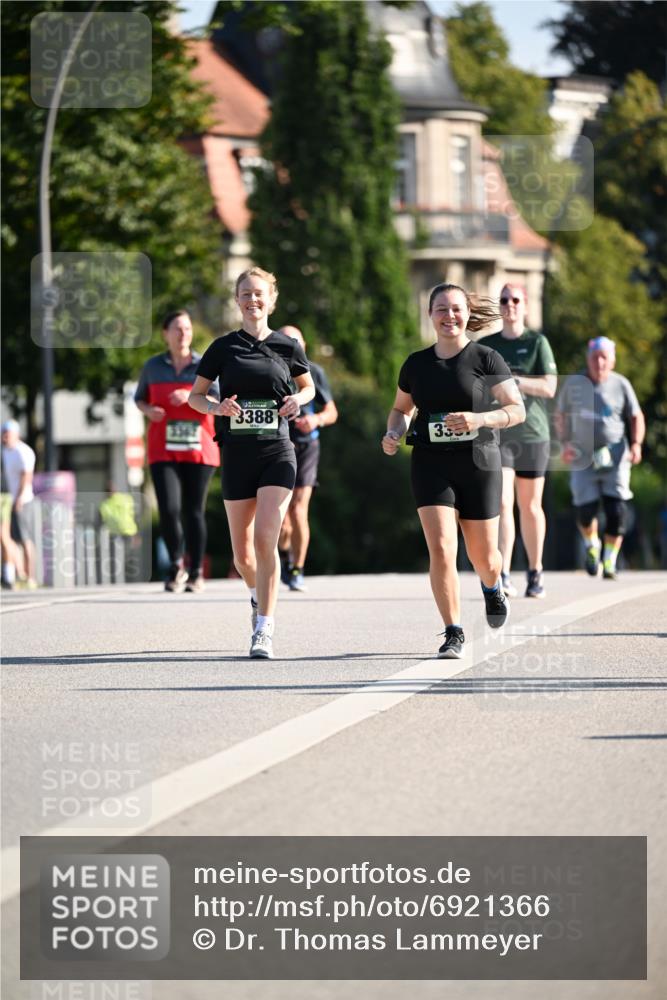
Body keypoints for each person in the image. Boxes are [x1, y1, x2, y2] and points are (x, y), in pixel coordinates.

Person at [382, 283, 525, 659]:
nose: (450, 316)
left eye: (456, 309)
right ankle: (453, 631)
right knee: (443, 549)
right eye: (441, 309)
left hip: (479, 463)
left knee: (485, 557)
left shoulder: (486, 358)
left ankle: (493, 588)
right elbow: (401, 409)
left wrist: (480, 417)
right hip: (430, 463)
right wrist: (393, 431)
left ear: (466, 313)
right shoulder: (416, 364)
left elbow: (516, 409)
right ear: (430, 315)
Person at [188, 267, 315, 659]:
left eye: (259, 293)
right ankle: (256, 597)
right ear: (237, 300)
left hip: (278, 451)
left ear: (271, 299)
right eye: (245, 293)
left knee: (265, 539)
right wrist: (217, 406)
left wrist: (298, 400)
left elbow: (308, 386)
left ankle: (264, 629)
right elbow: (196, 396)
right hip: (237, 454)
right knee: (242, 555)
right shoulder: (223, 348)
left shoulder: (287, 346)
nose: (252, 299)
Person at [480, 283, 558, 599]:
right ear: (499, 307)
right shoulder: (487, 345)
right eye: (504, 300)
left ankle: (535, 571)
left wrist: (516, 381)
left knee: (530, 505)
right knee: (501, 503)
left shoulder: (537, 342)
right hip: (499, 433)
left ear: (524, 305)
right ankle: (505, 573)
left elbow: (551, 387)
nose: (510, 305)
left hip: (532, 432)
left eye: (515, 300)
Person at [135, 310, 220, 593]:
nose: (183, 333)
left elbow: (219, 400)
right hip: (163, 448)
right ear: (165, 334)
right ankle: (175, 566)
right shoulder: (152, 366)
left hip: (200, 447)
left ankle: (196, 571)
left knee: (193, 511)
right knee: (169, 510)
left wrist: (190, 396)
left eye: (187, 328)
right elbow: (140, 399)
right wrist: (149, 410)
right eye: (177, 329)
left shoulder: (204, 364)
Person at [555, 336, 644, 580]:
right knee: (586, 511)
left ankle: (610, 561)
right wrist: (564, 444)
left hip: (615, 456)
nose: (600, 362)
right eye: (595, 357)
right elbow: (560, 415)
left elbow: (636, 416)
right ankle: (592, 546)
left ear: (612, 361)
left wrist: (636, 444)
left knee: (617, 512)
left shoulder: (621, 384)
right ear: (588, 359)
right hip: (583, 457)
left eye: (605, 357)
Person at [276, 325, 338, 592]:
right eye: (285, 340)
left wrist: (315, 420)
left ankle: (297, 568)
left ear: (303, 346)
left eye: (295, 341)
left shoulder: (315, 372)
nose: (291, 344)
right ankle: (285, 553)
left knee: (299, 509)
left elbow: (332, 412)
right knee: (282, 518)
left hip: (306, 446)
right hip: (276, 445)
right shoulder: (269, 369)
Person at [1, 419, 37, 589]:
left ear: (16, 435)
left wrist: (20, 498)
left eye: (7, 435)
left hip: (23, 500)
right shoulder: (6, 451)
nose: (4, 438)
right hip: (9, 500)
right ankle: (19, 574)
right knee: (11, 539)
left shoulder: (23, 452)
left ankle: (30, 577)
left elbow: (27, 476)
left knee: (24, 539)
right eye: (3, 435)